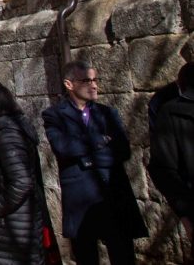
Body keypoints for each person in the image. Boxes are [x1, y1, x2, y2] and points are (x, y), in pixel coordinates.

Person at [42, 59, 147, 265]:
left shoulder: (107, 114)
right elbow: (63, 148)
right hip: (81, 199)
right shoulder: (54, 115)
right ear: (69, 84)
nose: (94, 85)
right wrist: (99, 141)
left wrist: (86, 158)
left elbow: (122, 151)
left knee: (123, 254)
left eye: (95, 79)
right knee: (86, 255)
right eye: (86, 80)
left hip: (113, 195)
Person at [0, 83, 57, 265]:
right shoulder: (4, 132)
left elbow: (22, 181)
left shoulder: (7, 135)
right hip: (11, 225)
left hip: (10, 226)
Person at [148, 61, 194, 249]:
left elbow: (163, 170)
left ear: (180, 85)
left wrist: (185, 215)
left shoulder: (170, 112)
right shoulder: (171, 113)